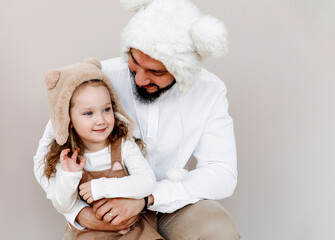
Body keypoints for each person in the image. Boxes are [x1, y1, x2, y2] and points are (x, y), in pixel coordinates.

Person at [34, 0, 240, 239]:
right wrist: (79, 214)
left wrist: (147, 199)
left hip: (172, 202)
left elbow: (222, 172)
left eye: (157, 72)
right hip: (100, 211)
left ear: (184, 70)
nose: (141, 79)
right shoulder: (97, 80)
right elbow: (44, 158)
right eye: (135, 61)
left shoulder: (209, 90)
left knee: (218, 228)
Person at [41, 58, 163, 239]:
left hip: (133, 227)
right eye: (88, 113)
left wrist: (100, 187)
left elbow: (146, 182)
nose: (101, 120)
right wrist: (69, 176)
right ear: (69, 120)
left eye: (106, 109)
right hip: (92, 232)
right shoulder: (68, 159)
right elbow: (63, 205)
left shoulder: (124, 145)